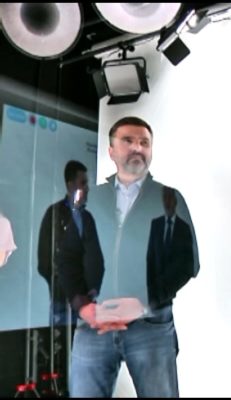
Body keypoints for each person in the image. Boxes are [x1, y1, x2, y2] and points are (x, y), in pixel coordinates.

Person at [57, 116, 199, 397]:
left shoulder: (169, 199)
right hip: (93, 325)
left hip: (150, 326)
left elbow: (187, 262)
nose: (137, 148)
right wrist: (82, 306)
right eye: (128, 141)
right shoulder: (89, 200)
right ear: (111, 151)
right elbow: (67, 258)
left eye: (144, 142)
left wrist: (143, 303)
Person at [38, 160, 88, 327]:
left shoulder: (85, 217)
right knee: (62, 339)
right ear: (70, 185)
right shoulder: (54, 214)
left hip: (84, 303)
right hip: (62, 301)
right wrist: (62, 288)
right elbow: (44, 260)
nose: (87, 188)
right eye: (83, 183)